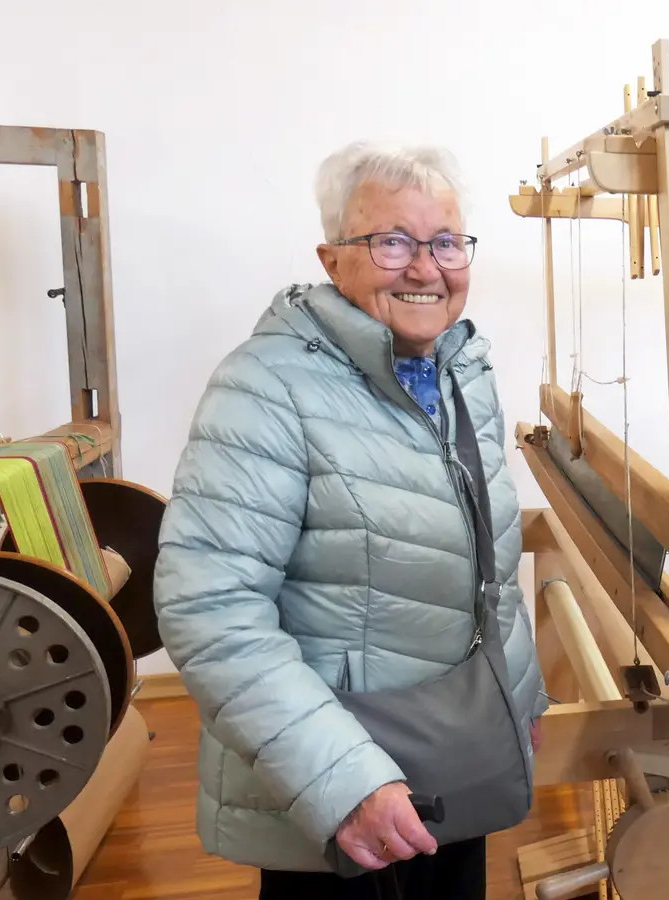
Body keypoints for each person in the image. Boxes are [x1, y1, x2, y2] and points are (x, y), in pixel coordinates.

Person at [153, 141, 547, 899]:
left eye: (445, 242)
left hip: (455, 754)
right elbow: (210, 610)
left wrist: (519, 695)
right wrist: (344, 781)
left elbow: (486, 564)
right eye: (393, 242)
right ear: (333, 260)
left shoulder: (461, 370)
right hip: (343, 784)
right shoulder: (265, 387)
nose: (425, 268)